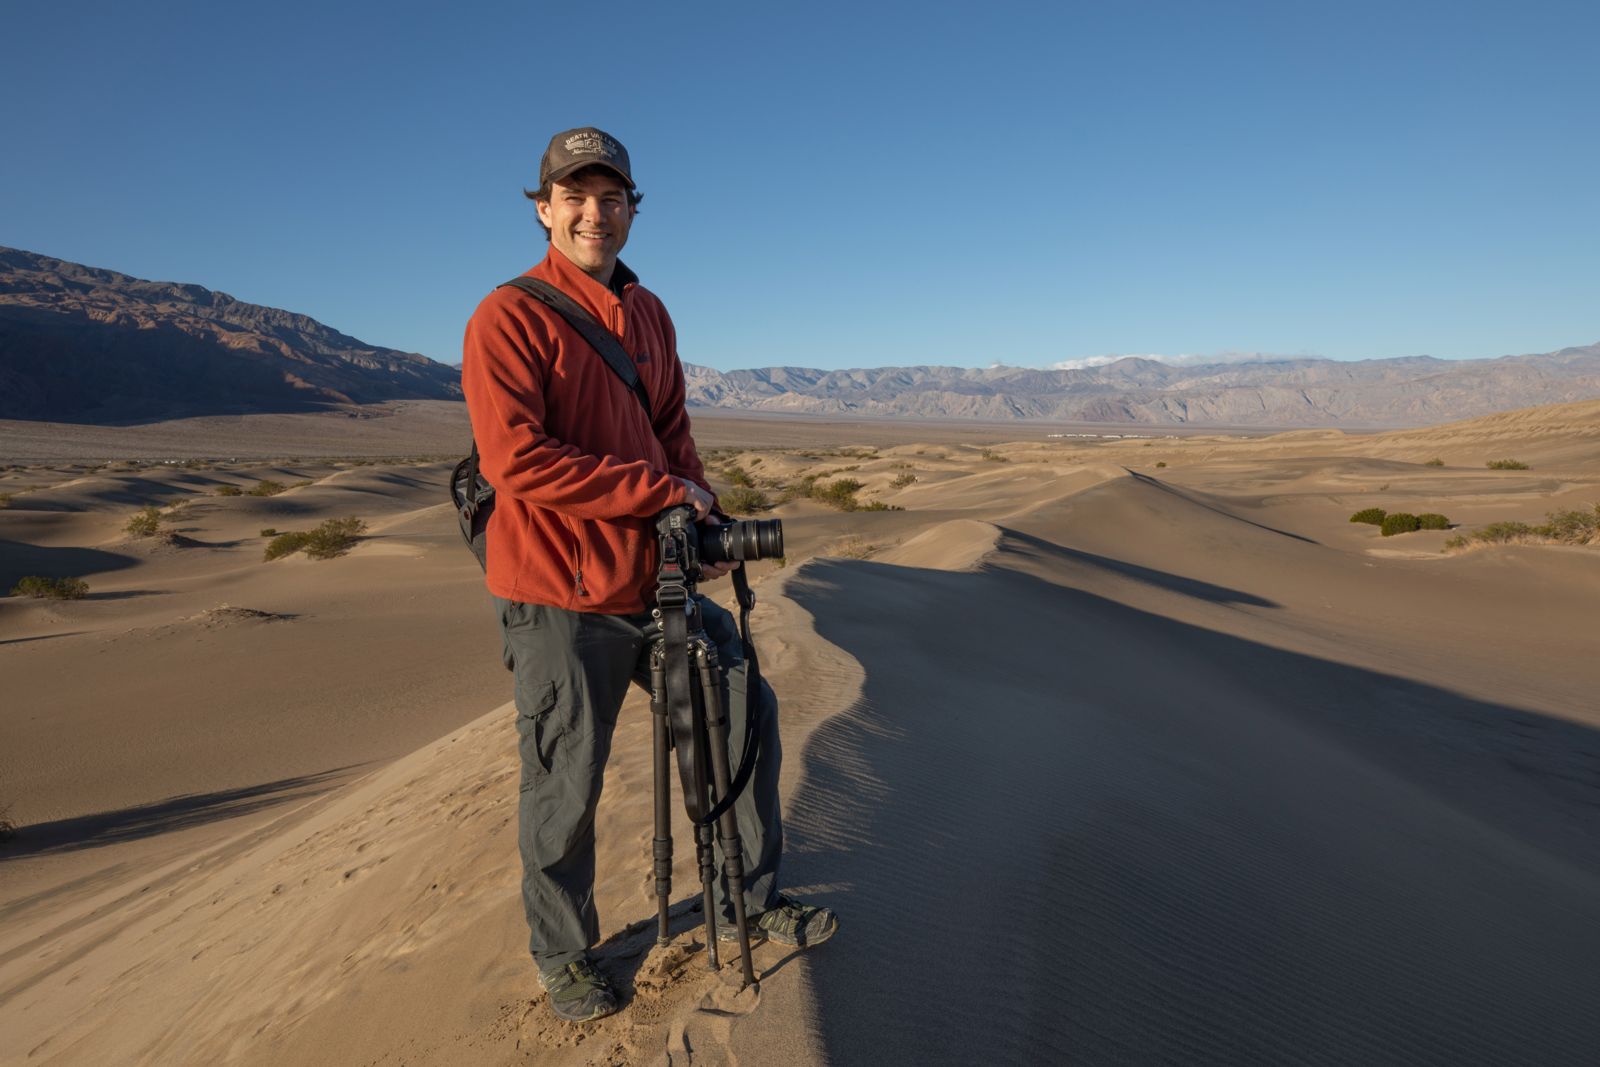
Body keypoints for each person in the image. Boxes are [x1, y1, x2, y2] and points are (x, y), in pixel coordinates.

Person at [461, 127, 837, 1023]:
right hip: (557, 592)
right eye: (576, 197)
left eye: (613, 196)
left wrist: (696, 502)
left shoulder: (651, 314)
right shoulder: (506, 317)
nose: (596, 212)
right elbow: (519, 463)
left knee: (740, 710)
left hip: (657, 579)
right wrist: (656, 490)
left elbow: (671, 428)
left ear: (632, 208)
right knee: (566, 777)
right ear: (544, 208)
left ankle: (747, 894)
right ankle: (564, 951)